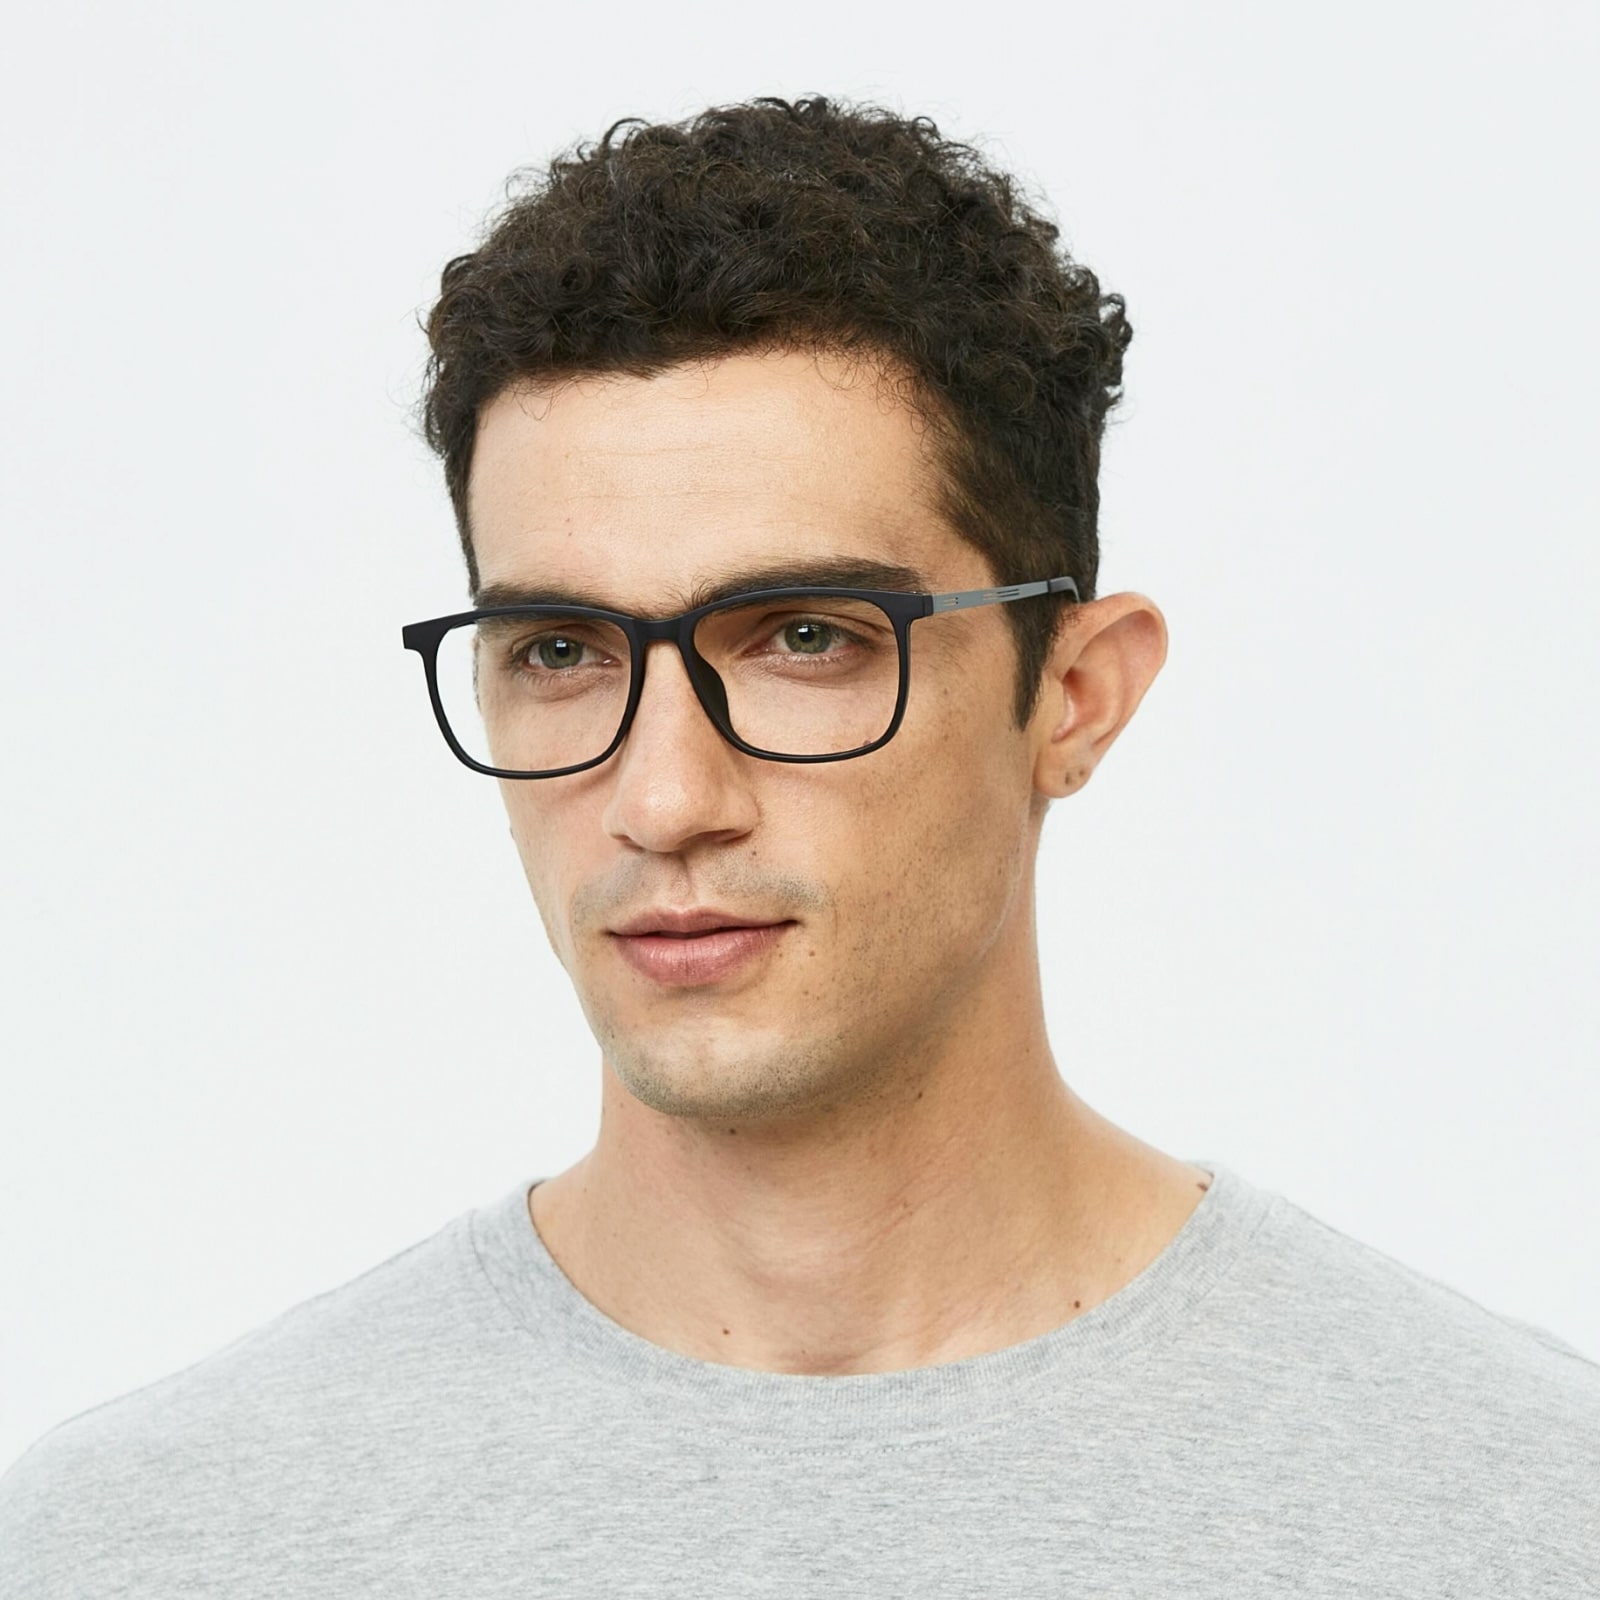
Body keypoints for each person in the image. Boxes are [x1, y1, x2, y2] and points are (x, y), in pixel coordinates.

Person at [2, 94, 1596, 1597]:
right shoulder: (142, 1545)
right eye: (559, 651)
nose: (662, 799)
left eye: (807, 637)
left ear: (1076, 696)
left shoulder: (1519, 1515)